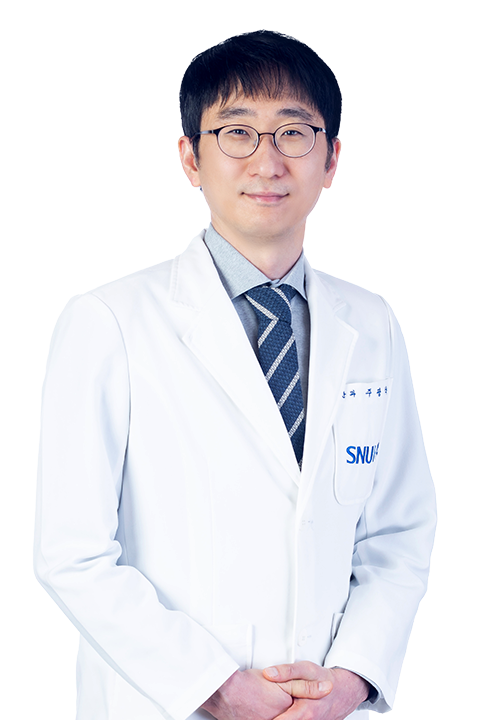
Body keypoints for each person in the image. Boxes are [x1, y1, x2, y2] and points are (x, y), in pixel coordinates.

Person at [34, 30, 437, 720]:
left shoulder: (371, 325)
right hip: (170, 705)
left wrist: (349, 681)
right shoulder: (110, 322)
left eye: (294, 133)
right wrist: (216, 688)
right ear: (191, 158)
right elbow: (71, 554)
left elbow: (397, 533)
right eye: (237, 132)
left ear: (332, 161)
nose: (267, 161)